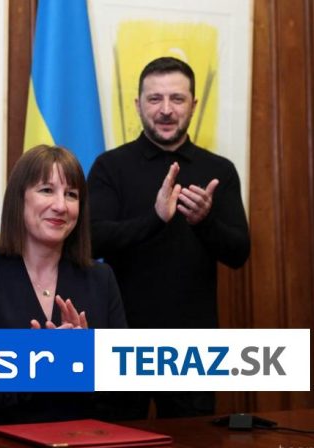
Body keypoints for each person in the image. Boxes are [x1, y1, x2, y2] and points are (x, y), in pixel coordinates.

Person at [87, 56, 250, 419]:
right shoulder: (110, 167)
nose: (165, 109)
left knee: (195, 446)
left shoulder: (219, 170)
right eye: (154, 98)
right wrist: (156, 219)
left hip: (191, 347)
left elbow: (239, 253)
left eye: (177, 98)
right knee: (114, 443)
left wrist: (203, 221)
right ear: (138, 105)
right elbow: (91, 240)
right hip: (120, 340)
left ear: (193, 104)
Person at [0, 145, 127, 430]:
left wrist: (85, 361)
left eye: (72, 194)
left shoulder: (101, 279)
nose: (61, 205)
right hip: (0, 447)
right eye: (47, 190)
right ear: (19, 200)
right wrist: (30, 366)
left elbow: (126, 398)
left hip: (82, 443)